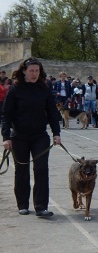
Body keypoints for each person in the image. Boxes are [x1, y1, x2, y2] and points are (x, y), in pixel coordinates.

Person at [1, 58, 61, 217]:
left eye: (37, 71)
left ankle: (41, 206)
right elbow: (6, 115)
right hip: (19, 136)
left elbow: (53, 113)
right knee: (22, 171)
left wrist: (56, 133)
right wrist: (6, 137)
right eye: (31, 71)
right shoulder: (15, 90)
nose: (34, 74)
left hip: (40, 136)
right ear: (24, 71)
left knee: (41, 169)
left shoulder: (44, 89)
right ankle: (23, 204)